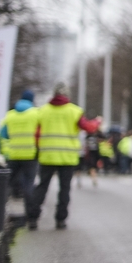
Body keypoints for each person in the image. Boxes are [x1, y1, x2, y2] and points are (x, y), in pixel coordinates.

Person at [27, 82, 100, 230]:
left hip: (47, 156)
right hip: (67, 158)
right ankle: (61, 220)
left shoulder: (43, 111)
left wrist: (39, 149)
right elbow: (88, 127)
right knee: (64, 189)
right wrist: (97, 121)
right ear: (67, 95)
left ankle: (33, 218)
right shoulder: (74, 111)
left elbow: (37, 135)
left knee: (42, 187)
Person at [0, 90, 39, 205]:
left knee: (8, 183)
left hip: (13, 154)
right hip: (30, 155)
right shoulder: (36, 114)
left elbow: (3, 135)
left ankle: (1, 207)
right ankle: (30, 212)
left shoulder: (10, 115)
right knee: (29, 184)